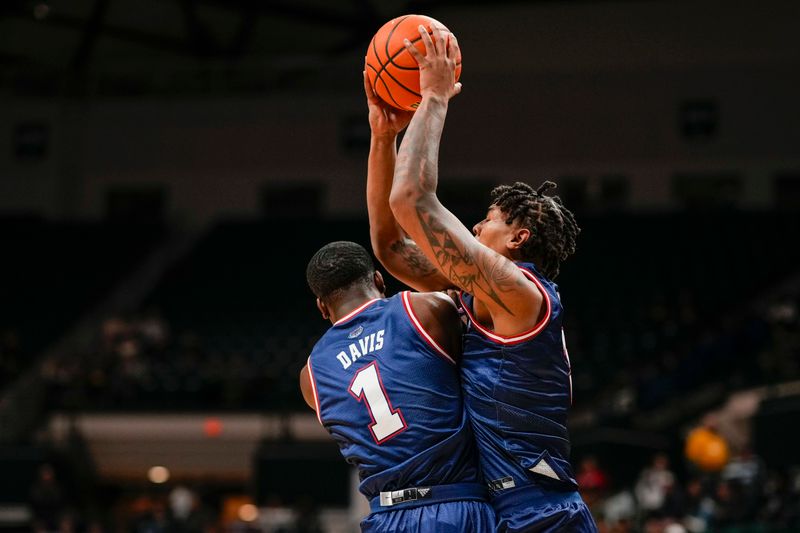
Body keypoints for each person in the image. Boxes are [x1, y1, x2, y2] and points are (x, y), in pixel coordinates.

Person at [366, 22, 597, 532]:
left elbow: (411, 201)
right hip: (496, 512)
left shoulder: (520, 296)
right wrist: (383, 138)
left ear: (518, 238)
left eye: (489, 219)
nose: (474, 225)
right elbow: (390, 248)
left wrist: (434, 98)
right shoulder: (476, 294)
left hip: (543, 512)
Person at [298, 241, 495, 532]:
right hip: (457, 503)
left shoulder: (310, 376)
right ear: (378, 279)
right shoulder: (425, 309)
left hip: (386, 517)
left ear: (322, 307)